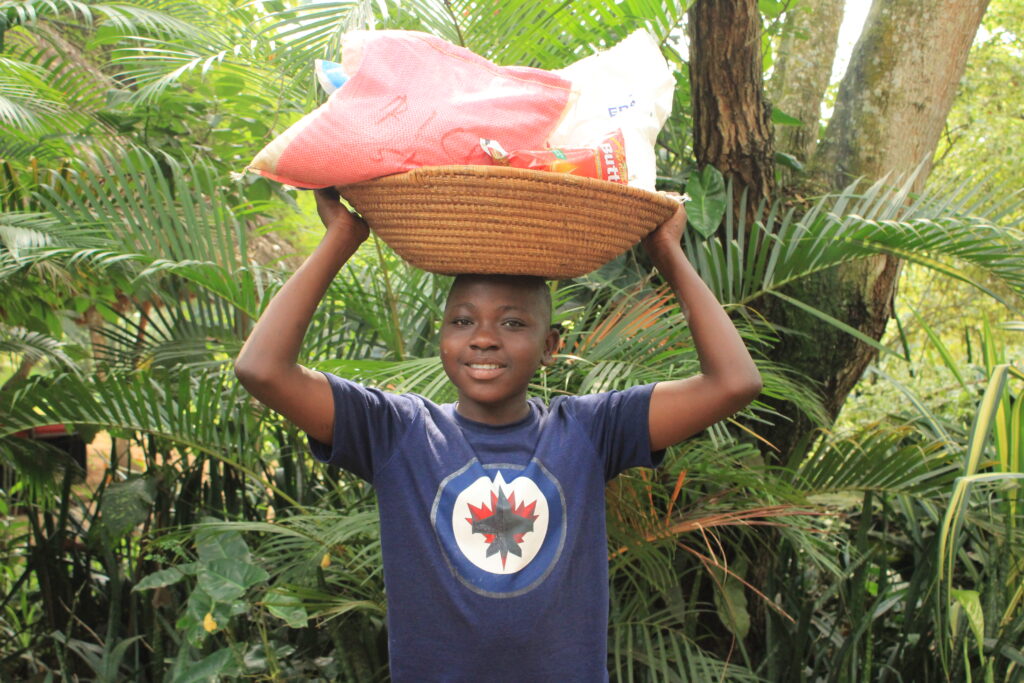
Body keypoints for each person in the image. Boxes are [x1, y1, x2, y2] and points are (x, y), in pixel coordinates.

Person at [234, 188, 762, 681]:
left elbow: (733, 382)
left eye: (512, 323)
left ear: (550, 344)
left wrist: (667, 252)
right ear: (441, 336)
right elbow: (263, 369)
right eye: (462, 321)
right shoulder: (397, 432)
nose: (484, 339)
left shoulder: (589, 430)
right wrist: (341, 238)